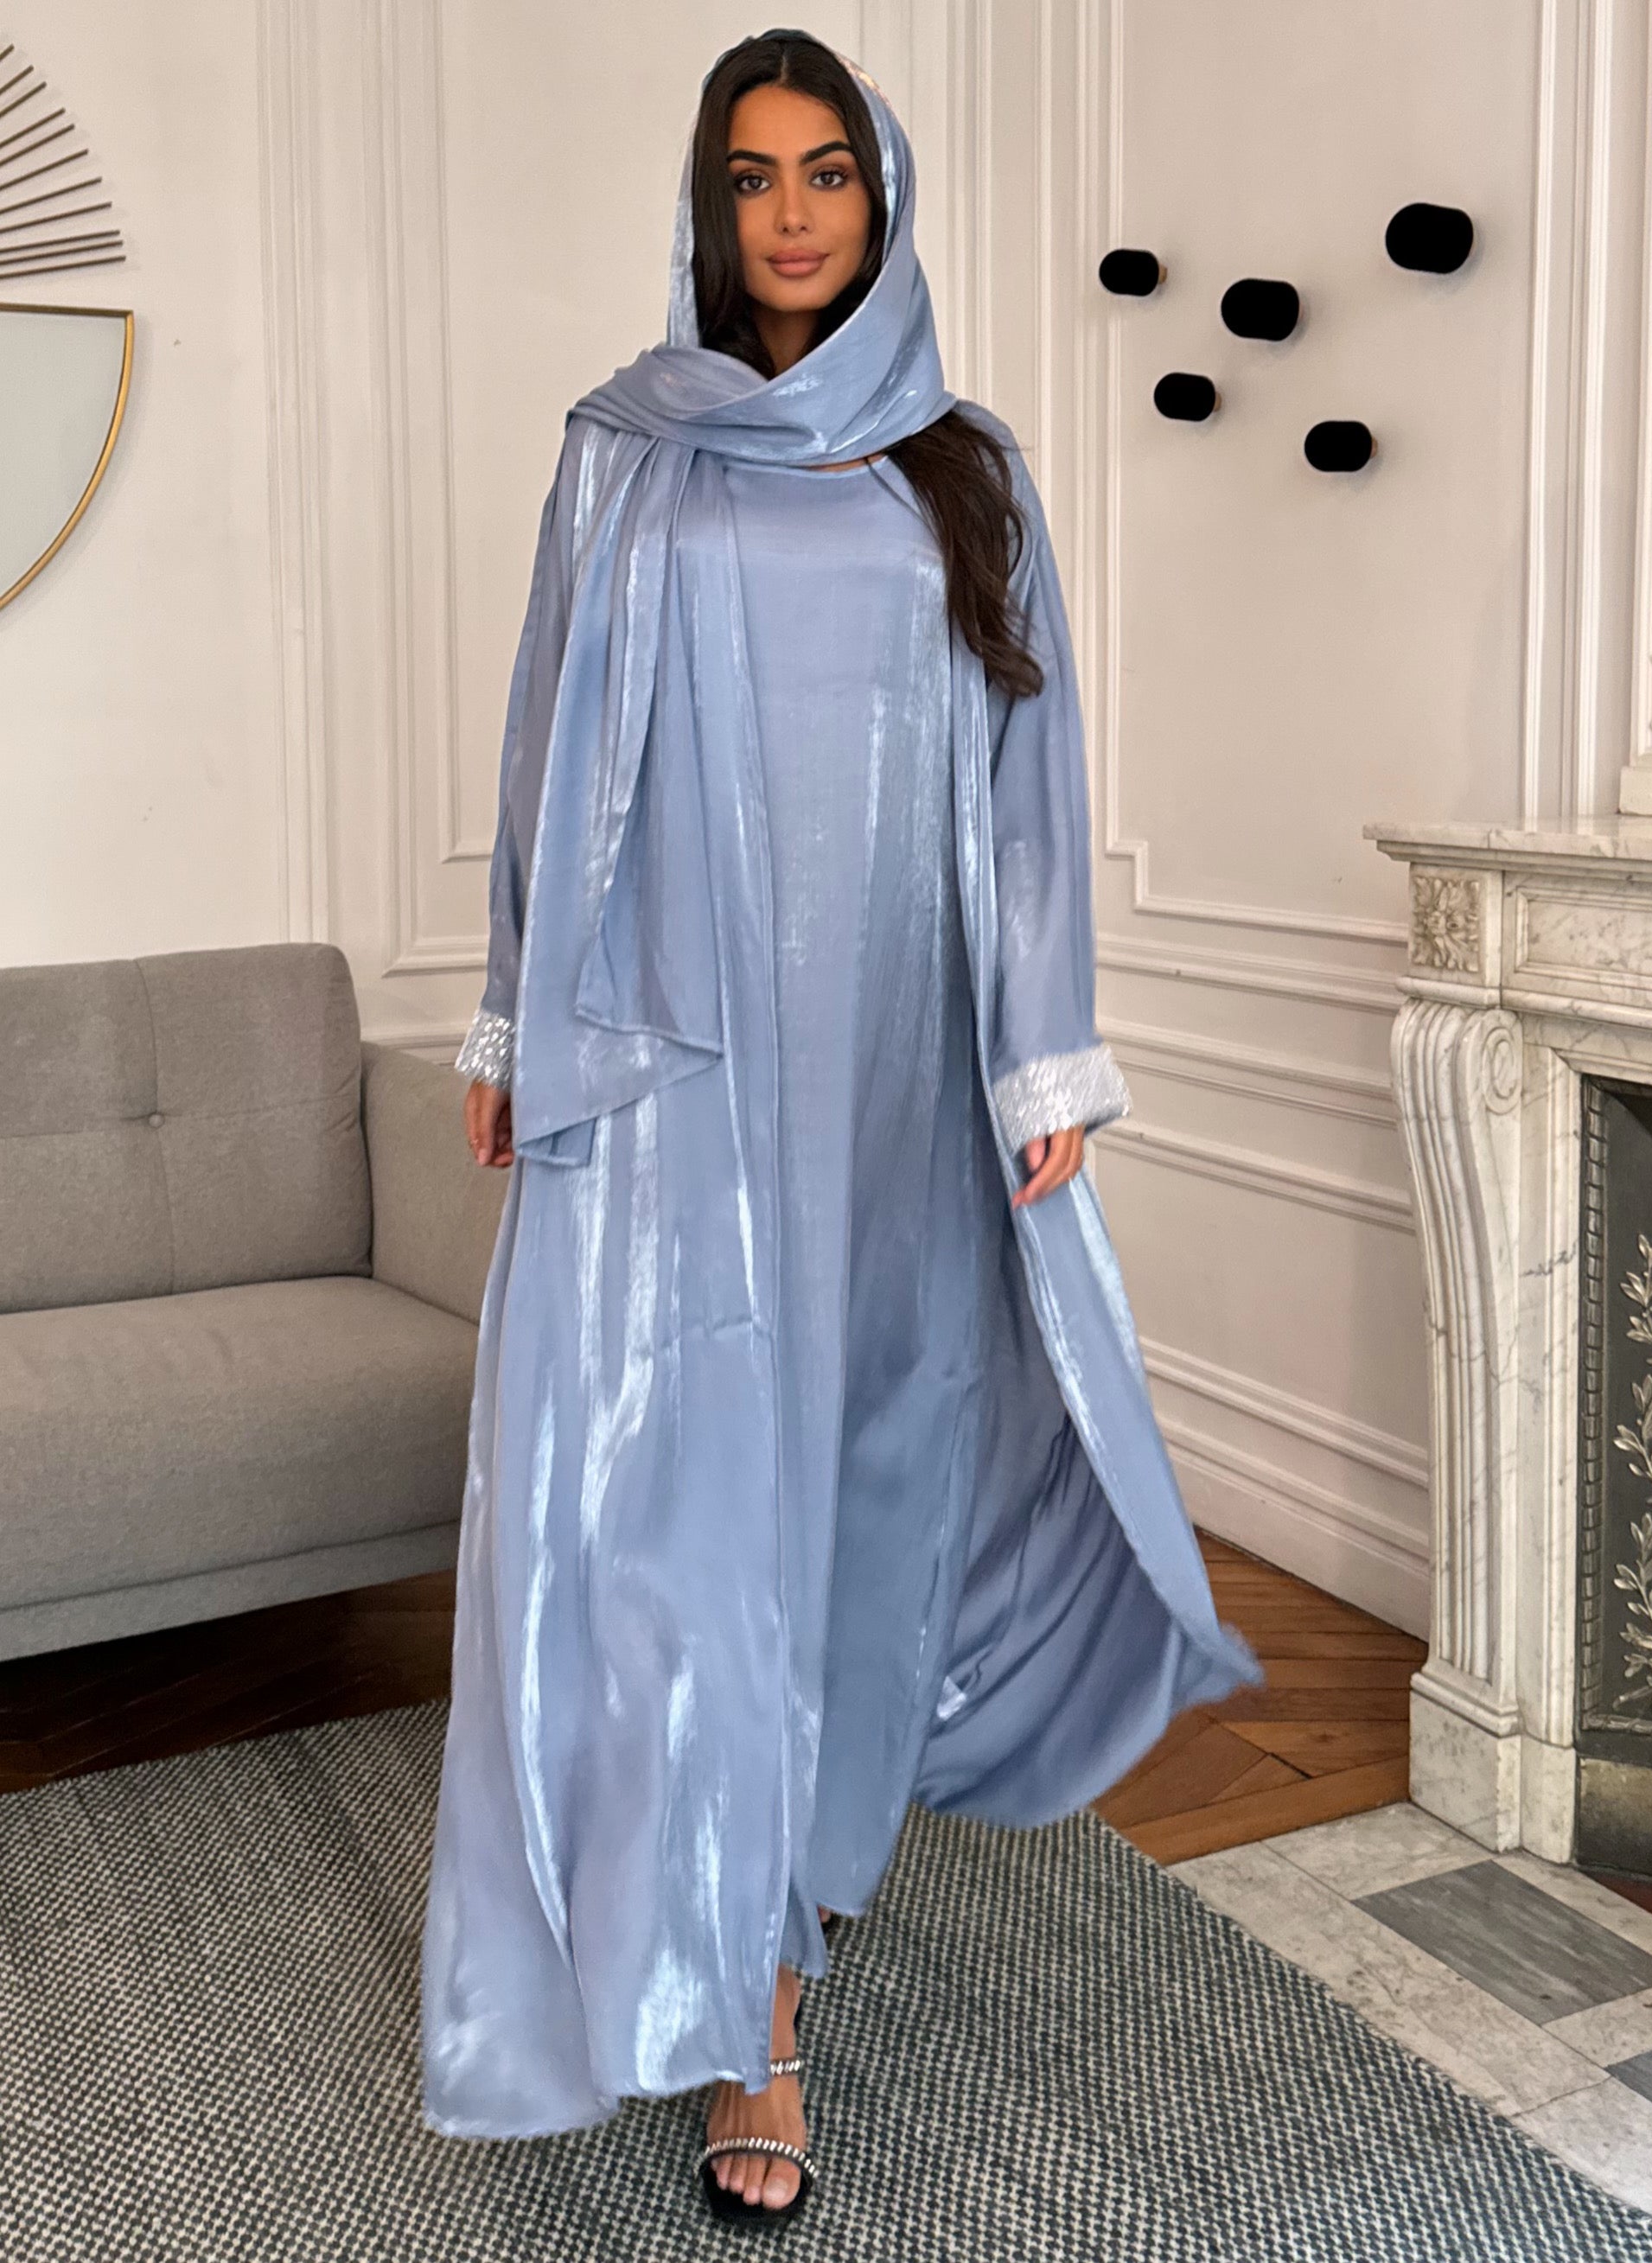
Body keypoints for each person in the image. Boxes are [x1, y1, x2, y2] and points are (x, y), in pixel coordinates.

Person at [419, 25, 1262, 2230]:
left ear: (880, 202)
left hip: (897, 1074)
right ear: (709, 206)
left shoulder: (965, 468)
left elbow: (1028, 779)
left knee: (856, 1495)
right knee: (665, 1510)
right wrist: (514, 1023)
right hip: (671, 1068)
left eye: (827, 173)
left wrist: (1040, 1055)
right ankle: (711, 1970)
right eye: (753, 175)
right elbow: (545, 748)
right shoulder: (624, 454)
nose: (790, 213)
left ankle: (785, 1909)